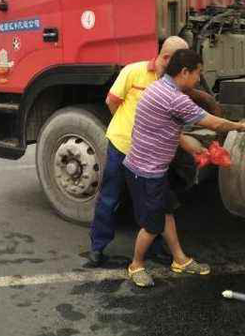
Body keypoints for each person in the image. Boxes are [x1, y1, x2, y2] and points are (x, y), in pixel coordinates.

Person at [124, 48, 245, 287]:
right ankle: (136, 265)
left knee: (167, 212)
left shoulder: (158, 87)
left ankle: (179, 259)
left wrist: (195, 149)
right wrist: (240, 126)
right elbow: (214, 123)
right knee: (152, 225)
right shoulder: (174, 98)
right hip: (147, 172)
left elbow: (170, 130)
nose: (197, 79)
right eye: (197, 74)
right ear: (184, 72)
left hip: (148, 167)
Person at [88, 36, 220, 266]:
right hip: (122, 146)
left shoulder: (176, 81)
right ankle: (98, 247)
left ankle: (155, 250)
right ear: (167, 57)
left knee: (155, 202)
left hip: (152, 154)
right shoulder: (133, 71)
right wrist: (128, 129)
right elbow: (112, 102)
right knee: (110, 197)